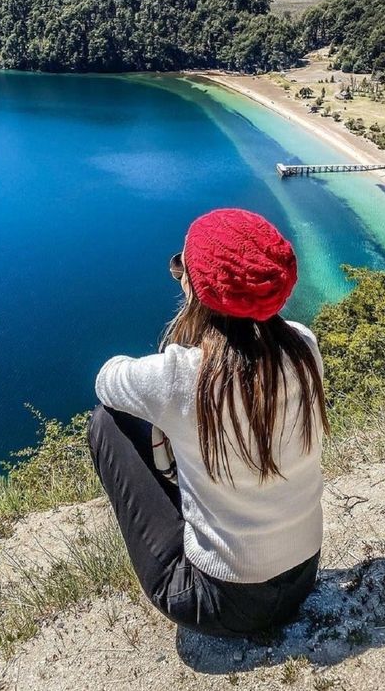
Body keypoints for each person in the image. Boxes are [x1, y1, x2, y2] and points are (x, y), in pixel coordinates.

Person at [88, 208, 329, 637]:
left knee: (106, 422)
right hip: (303, 576)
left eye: (184, 266)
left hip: (221, 603)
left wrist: (178, 347)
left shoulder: (181, 377)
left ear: (198, 289)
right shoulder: (305, 348)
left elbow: (107, 379)